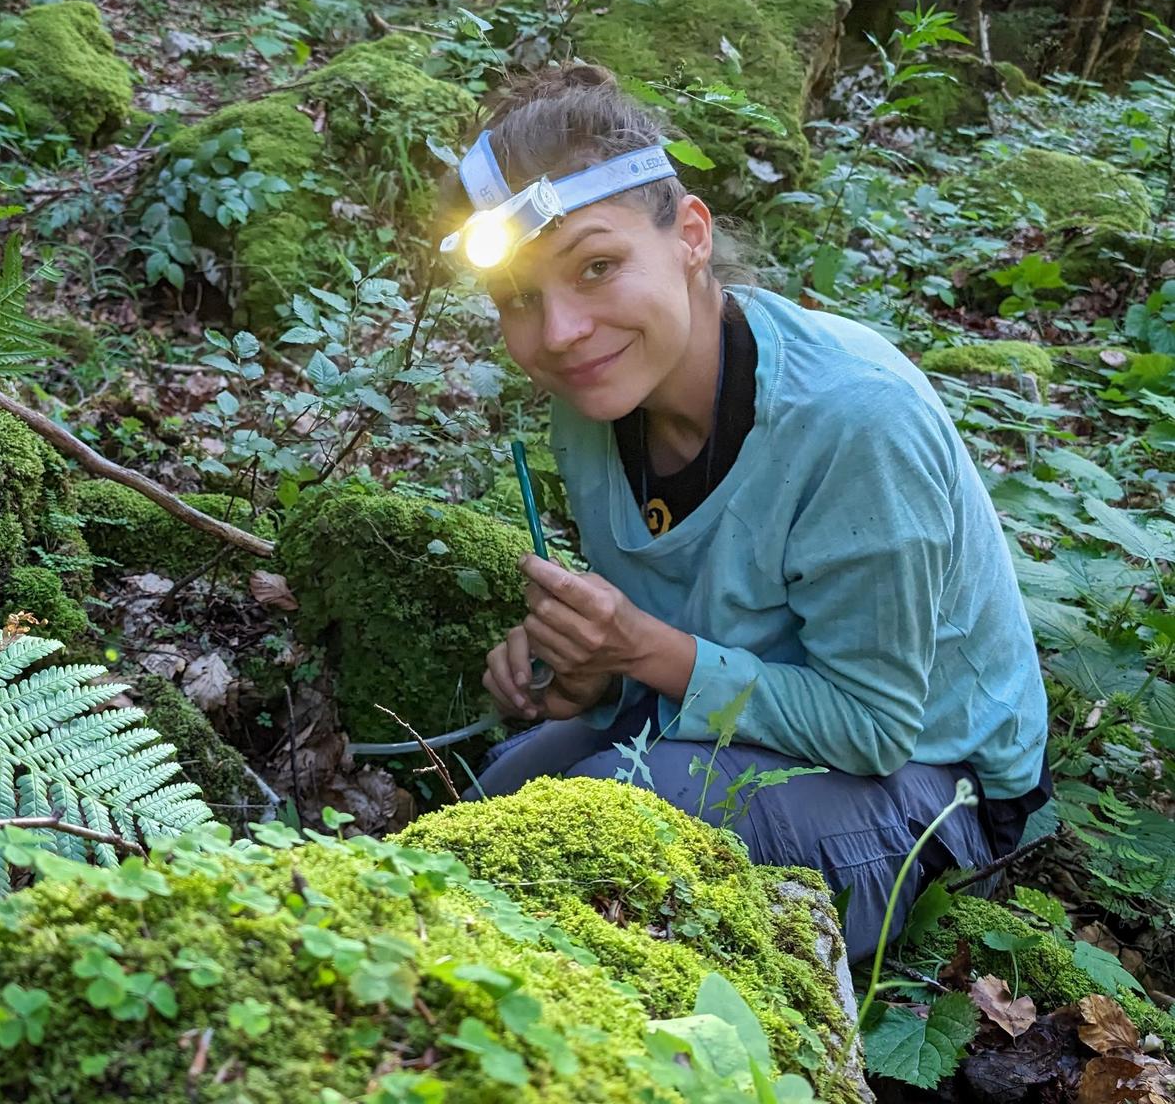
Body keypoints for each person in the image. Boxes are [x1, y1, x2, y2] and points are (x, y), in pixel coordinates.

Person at [440, 64, 1051, 963]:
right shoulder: (593, 400)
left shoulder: (853, 420)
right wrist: (592, 678)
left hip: (934, 777)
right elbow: (699, 632)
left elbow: (875, 727)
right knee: (488, 810)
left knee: (599, 831)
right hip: (751, 714)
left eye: (597, 268)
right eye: (521, 299)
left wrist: (638, 650)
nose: (560, 332)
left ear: (689, 236)